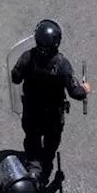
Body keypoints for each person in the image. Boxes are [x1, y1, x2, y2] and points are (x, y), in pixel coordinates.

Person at [10, 19, 89, 184]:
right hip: (52, 115)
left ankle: (33, 169)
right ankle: (45, 168)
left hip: (31, 111)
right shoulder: (62, 65)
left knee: (32, 139)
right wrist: (85, 89)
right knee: (51, 142)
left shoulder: (27, 57)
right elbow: (75, 92)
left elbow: (16, 78)